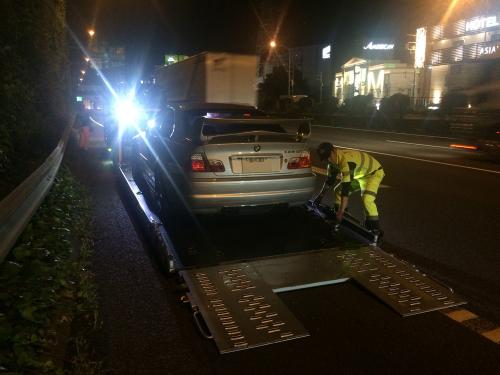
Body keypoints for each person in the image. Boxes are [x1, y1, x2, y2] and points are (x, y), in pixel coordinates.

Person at [315, 142, 385, 233]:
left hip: (373, 173)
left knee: (367, 199)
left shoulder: (346, 161)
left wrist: (341, 212)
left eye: (329, 156)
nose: (328, 160)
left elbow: (345, 190)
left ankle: (375, 228)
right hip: (359, 174)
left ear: (334, 151)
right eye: (325, 158)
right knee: (338, 191)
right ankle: (343, 218)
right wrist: (319, 197)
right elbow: (329, 182)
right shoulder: (332, 163)